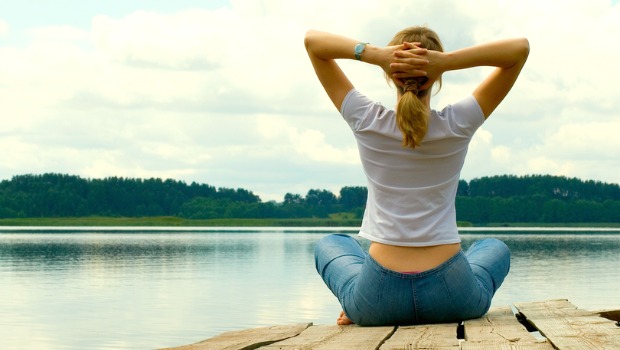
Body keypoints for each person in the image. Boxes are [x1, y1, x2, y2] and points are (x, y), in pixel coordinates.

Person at [304, 26, 529, 326]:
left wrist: (375, 55)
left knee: (330, 244)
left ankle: (354, 302)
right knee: (494, 248)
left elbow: (313, 42)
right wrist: (445, 62)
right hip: (454, 298)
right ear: (436, 77)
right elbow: (519, 50)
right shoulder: (458, 123)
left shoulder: (366, 119)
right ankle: (360, 299)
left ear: (389, 73)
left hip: (378, 300)